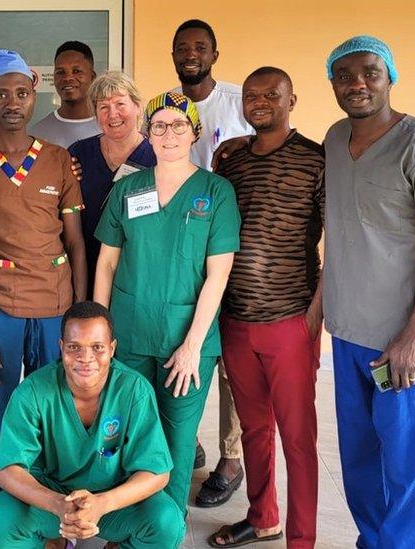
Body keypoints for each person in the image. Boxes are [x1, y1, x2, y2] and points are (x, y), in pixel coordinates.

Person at [323, 36, 415, 549]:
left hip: (402, 341)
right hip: (348, 333)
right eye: (344, 75)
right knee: (359, 457)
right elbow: (339, 233)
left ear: (390, 76)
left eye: (369, 72)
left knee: (406, 464)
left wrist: (412, 336)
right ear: (333, 84)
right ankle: (373, 541)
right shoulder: (335, 141)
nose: (357, 83)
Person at [0, 49, 87, 549]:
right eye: (1, 93)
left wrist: (80, 317)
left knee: (58, 417)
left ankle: (55, 520)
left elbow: (74, 244)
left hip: (55, 307)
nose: (12, 102)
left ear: (35, 95)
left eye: (22, 93)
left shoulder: (56, 159)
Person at [94, 91, 240, 515]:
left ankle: (164, 530)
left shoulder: (216, 192)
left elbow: (218, 274)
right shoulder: (128, 189)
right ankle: (122, 525)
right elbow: (106, 263)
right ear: (147, 133)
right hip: (128, 333)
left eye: (179, 125)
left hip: (187, 342)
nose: (169, 133)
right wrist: (101, 335)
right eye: (159, 125)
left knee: (176, 439)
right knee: (126, 431)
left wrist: (193, 345)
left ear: (194, 132)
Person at [208, 67, 324, 549]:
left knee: (298, 438)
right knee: (254, 429)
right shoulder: (232, 161)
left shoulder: (317, 160)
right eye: (252, 96)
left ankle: (302, 537)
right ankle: (263, 517)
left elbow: (338, 240)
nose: (259, 102)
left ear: (291, 99)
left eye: (270, 95)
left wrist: (315, 315)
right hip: (236, 319)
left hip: (290, 319)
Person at [0, 301, 185, 549]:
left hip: (113, 499)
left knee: (167, 523)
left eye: (97, 347)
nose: (85, 358)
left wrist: (103, 503)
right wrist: (57, 504)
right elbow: (6, 470)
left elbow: (157, 472)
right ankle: (53, 542)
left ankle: (119, 545)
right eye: (74, 347)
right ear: (61, 348)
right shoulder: (33, 392)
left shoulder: (133, 390)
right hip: (51, 498)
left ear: (112, 349)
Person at [169, 18, 251, 505]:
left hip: (230, 243)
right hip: (181, 249)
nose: (190, 53)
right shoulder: (167, 105)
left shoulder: (241, 101)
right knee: (184, 345)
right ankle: (190, 443)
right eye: (182, 47)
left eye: (200, 46)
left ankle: (231, 456)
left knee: (229, 362)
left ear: (214, 53)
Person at [68, 71, 155, 296]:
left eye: (120, 104)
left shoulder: (157, 155)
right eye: (103, 107)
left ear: (137, 106)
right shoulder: (79, 154)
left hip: (138, 275)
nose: (112, 114)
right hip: (88, 268)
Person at [30, 41, 101, 148]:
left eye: (77, 71)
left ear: (92, 77)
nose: (68, 78)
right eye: (60, 72)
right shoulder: (38, 134)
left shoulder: (109, 127)